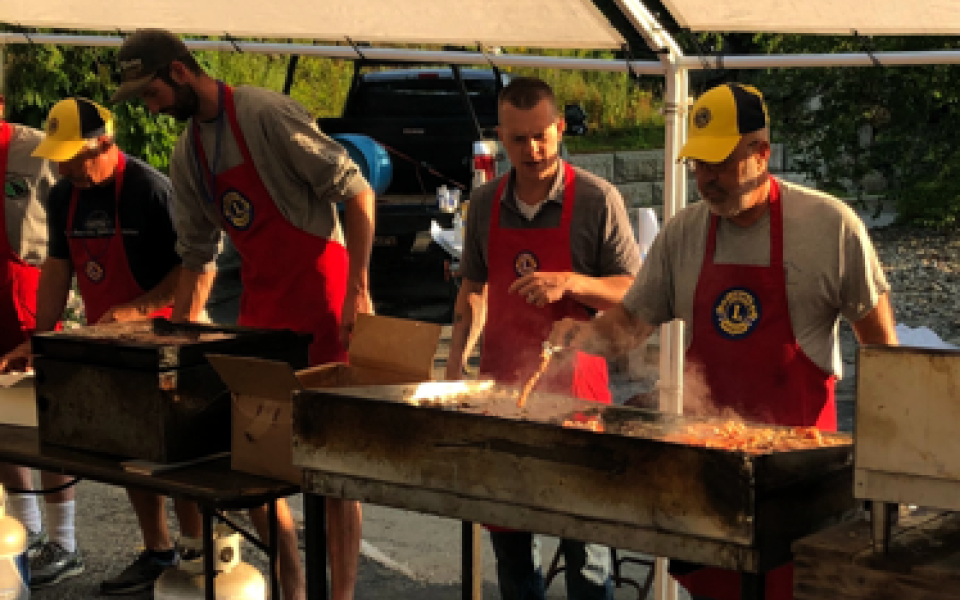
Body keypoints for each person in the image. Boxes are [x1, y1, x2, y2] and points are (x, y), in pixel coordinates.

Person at [548, 83, 899, 600]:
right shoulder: (683, 234)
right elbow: (628, 327)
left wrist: (885, 463)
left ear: (761, 153)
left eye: (718, 161)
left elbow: (882, 349)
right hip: (708, 478)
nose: (704, 178)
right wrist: (580, 335)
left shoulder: (830, 227)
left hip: (799, 480)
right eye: (697, 164)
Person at [110, 28, 376, 600]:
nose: (150, 108)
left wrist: (359, 287)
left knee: (332, 471)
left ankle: (344, 594)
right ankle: (292, 579)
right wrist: (176, 346)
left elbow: (357, 193)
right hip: (261, 310)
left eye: (151, 93)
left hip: (324, 300)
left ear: (180, 72)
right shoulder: (187, 153)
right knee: (258, 464)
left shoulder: (263, 113)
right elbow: (196, 256)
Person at [444, 76, 640, 600]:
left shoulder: (599, 200)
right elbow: (473, 292)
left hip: (579, 401)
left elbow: (634, 294)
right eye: (517, 139)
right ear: (500, 138)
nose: (531, 150)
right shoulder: (484, 205)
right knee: (511, 550)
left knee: (588, 554)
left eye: (541, 136)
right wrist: (454, 368)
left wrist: (571, 282)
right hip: (503, 396)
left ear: (558, 129)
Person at [0, 97, 205, 595]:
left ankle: (197, 557)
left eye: (74, 157)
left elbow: (193, 269)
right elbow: (57, 269)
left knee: (178, 459)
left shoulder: (150, 191)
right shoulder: (63, 196)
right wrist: (40, 338)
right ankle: (158, 552)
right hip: (107, 344)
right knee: (129, 454)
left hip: (164, 340)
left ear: (105, 143)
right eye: (61, 159)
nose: (66, 168)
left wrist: (136, 312)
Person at [0, 94, 81, 590]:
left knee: (49, 420)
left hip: (32, 293)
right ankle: (24, 529)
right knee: (2, 419)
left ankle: (65, 541)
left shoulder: (34, 150)